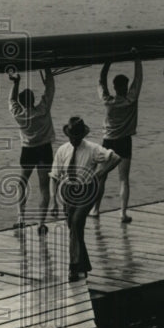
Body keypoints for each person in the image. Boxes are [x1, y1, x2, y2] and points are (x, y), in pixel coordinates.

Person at [50, 117, 121, 282]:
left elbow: (116, 158)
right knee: (75, 229)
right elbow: (54, 176)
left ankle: (73, 267)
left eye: (76, 137)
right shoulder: (63, 150)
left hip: (87, 190)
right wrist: (54, 201)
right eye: (71, 136)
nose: (73, 140)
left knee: (76, 222)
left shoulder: (92, 149)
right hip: (68, 191)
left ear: (81, 136)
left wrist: (100, 173)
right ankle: (83, 265)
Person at [96, 54, 143, 222]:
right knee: (123, 179)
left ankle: (95, 210)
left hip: (108, 141)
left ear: (114, 87)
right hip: (124, 141)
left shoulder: (108, 101)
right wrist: (137, 59)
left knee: (101, 177)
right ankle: (122, 213)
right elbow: (139, 79)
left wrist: (107, 62)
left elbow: (101, 82)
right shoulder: (131, 99)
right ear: (126, 87)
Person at [8, 68, 56, 233]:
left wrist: (16, 82)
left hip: (28, 150)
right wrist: (48, 71)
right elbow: (50, 89)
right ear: (34, 99)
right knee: (44, 186)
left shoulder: (19, 114)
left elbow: (12, 99)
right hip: (44, 149)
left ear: (22, 103)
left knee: (22, 183)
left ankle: (21, 218)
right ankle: (41, 222)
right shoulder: (43, 109)